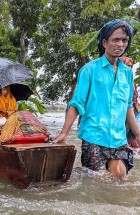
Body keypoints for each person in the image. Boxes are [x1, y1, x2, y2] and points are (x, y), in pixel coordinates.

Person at [53, 19, 140, 180]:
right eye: (116, 40)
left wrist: (138, 134)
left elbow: (128, 107)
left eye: (124, 40)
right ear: (105, 43)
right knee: (93, 180)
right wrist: (64, 133)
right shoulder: (89, 70)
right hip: (93, 136)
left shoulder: (127, 73)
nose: (120, 44)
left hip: (118, 138)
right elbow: (76, 103)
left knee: (120, 177)